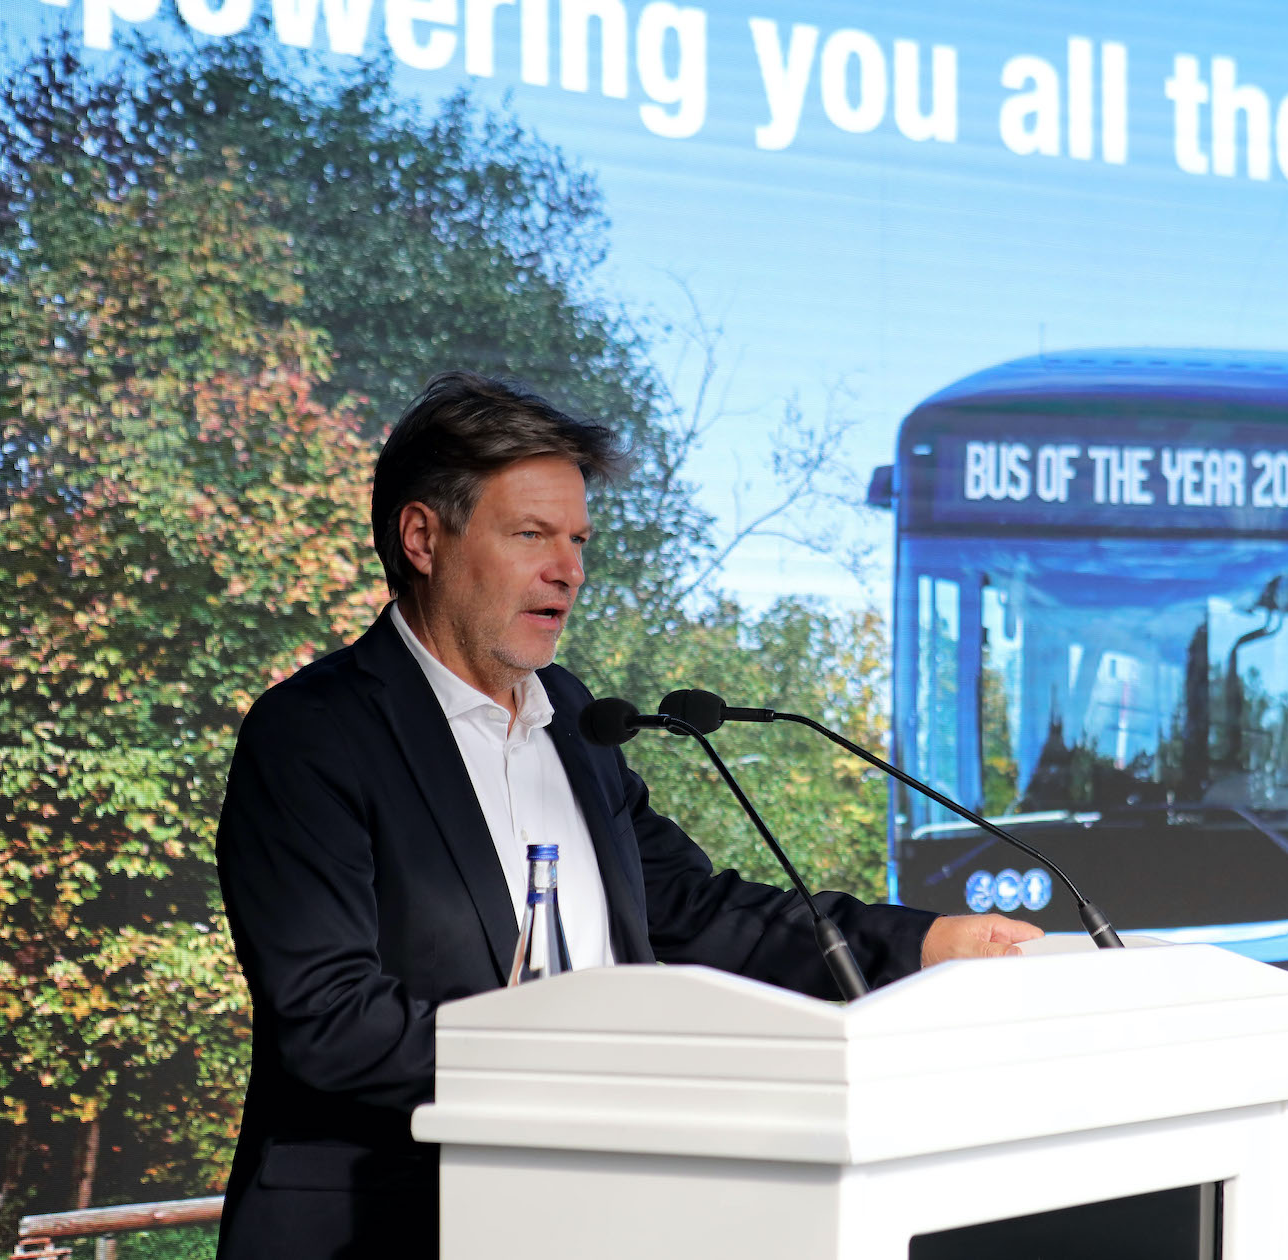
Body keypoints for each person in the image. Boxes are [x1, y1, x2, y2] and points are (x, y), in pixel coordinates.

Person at [214, 371, 1040, 1259]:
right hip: (386, 1229)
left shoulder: (572, 716)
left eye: (577, 540)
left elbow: (694, 911)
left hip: (598, 1217)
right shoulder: (315, 733)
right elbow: (330, 1020)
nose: (568, 570)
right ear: (422, 537)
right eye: (531, 534)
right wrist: (583, 1069)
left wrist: (921, 945)